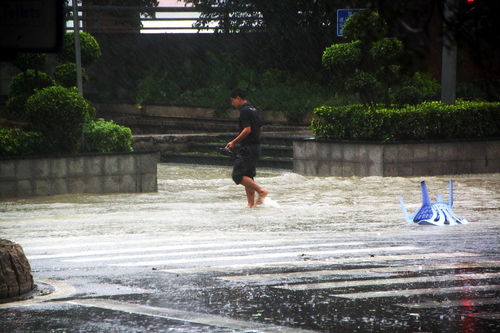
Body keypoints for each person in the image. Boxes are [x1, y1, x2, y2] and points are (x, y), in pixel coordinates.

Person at [226, 89, 268, 207]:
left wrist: (233, 142)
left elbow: (247, 129)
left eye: (233, 100)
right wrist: (255, 140)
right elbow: (260, 128)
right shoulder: (253, 109)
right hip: (255, 147)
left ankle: (261, 191)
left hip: (248, 148)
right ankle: (251, 205)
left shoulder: (244, 111)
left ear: (238, 98)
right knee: (248, 176)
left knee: (237, 175)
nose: (232, 103)